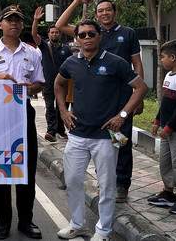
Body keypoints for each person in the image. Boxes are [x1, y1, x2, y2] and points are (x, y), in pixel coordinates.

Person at [55, 20, 148, 241]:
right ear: (76, 38)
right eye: (82, 35)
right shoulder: (70, 63)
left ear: (99, 36)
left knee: (106, 185)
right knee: (73, 180)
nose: (86, 38)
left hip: (105, 137)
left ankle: (103, 231)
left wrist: (123, 115)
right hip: (77, 134)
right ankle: (76, 224)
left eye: (91, 34)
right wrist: (63, 112)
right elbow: (58, 84)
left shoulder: (115, 62)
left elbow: (141, 87)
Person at [0, 5, 44, 240]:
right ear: (0, 25)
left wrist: (29, 88)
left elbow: (39, 83)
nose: (14, 23)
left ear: (22, 25)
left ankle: (26, 221)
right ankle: (3, 222)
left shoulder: (32, 53)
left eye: (18, 20)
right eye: (9, 20)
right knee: (2, 170)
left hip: (23, 114)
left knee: (27, 170)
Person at [147, 40, 176, 215]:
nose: (161, 60)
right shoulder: (169, 76)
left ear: (173, 57)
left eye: (163, 57)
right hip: (167, 128)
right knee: (165, 162)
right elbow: (166, 103)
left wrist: (169, 127)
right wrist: (157, 121)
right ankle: (168, 193)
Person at [31, 6, 73, 141]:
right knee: (50, 107)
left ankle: (61, 130)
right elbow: (34, 35)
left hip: (63, 83)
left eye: (56, 32)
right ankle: (51, 131)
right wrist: (36, 21)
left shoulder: (66, 49)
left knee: (63, 106)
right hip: (48, 83)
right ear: (48, 34)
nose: (54, 34)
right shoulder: (43, 46)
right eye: (52, 32)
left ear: (60, 34)